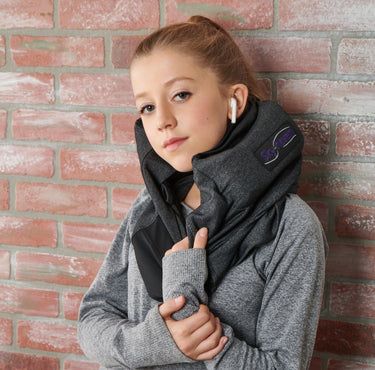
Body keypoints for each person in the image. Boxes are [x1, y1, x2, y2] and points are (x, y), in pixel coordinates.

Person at [78, 15, 328, 369]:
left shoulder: (289, 227)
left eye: (180, 94)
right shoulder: (152, 204)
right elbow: (93, 317)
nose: (162, 119)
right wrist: (150, 343)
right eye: (147, 107)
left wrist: (187, 302)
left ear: (234, 100)